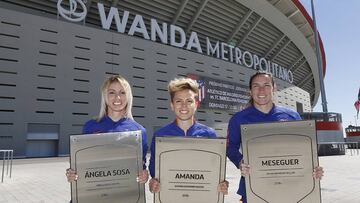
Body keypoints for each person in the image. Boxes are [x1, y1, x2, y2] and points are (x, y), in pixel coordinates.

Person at [226, 71, 324, 203]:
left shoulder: (292, 116)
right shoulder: (238, 119)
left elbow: (304, 150)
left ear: (274, 88)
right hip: (253, 187)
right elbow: (230, 147)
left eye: (266, 85)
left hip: (290, 187)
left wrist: (312, 168)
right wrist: (240, 162)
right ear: (250, 91)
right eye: (256, 86)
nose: (261, 90)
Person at [148, 77, 228, 194]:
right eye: (179, 101)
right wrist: (153, 183)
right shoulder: (161, 135)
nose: (184, 105)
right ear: (172, 105)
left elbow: (215, 170)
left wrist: (222, 184)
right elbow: (155, 170)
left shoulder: (209, 134)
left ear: (196, 104)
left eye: (189, 101)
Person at [66, 75, 149, 186]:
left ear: (128, 96)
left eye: (122, 93)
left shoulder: (139, 131)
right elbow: (81, 165)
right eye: (112, 92)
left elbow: (141, 167)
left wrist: (144, 175)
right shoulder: (90, 127)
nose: (117, 97)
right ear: (105, 96)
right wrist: (72, 173)